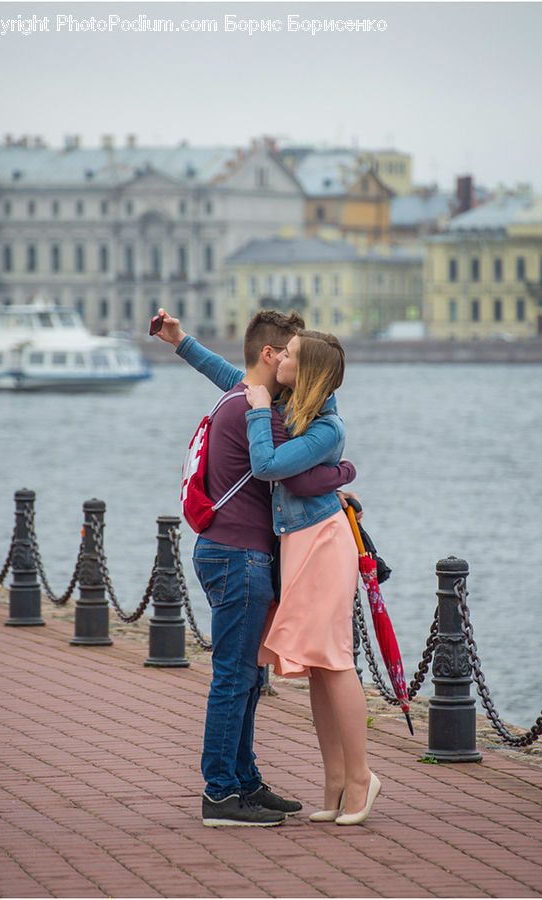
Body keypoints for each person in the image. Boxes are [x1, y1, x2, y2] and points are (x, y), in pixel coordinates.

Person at [155, 310, 357, 827]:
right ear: (271, 357)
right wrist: (341, 471)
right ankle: (222, 793)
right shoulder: (262, 416)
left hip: (232, 552)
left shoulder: (244, 399)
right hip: (239, 557)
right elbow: (289, 468)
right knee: (234, 678)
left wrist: (182, 342)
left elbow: (229, 374)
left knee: (247, 679)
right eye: (288, 351)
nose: (291, 358)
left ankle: (244, 781)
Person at [243, 330, 381, 826]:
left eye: (291, 354)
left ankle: (362, 777)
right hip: (299, 542)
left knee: (335, 659)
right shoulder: (289, 404)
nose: (279, 355)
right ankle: (336, 780)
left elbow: (268, 466)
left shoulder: (325, 426)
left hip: (323, 542)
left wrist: (259, 411)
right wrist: (180, 342)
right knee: (319, 667)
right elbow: (227, 373)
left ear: (308, 373)